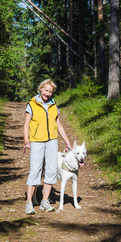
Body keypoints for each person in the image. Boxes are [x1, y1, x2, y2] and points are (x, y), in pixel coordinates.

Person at [23, 79, 72, 215]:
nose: (48, 93)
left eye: (50, 91)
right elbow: (26, 125)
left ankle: (45, 200)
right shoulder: (32, 104)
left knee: (51, 171)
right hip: (37, 141)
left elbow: (59, 125)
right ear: (41, 89)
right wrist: (27, 141)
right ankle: (29, 203)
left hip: (52, 141)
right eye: (46, 90)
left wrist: (67, 142)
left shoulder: (53, 105)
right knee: (35, 170)